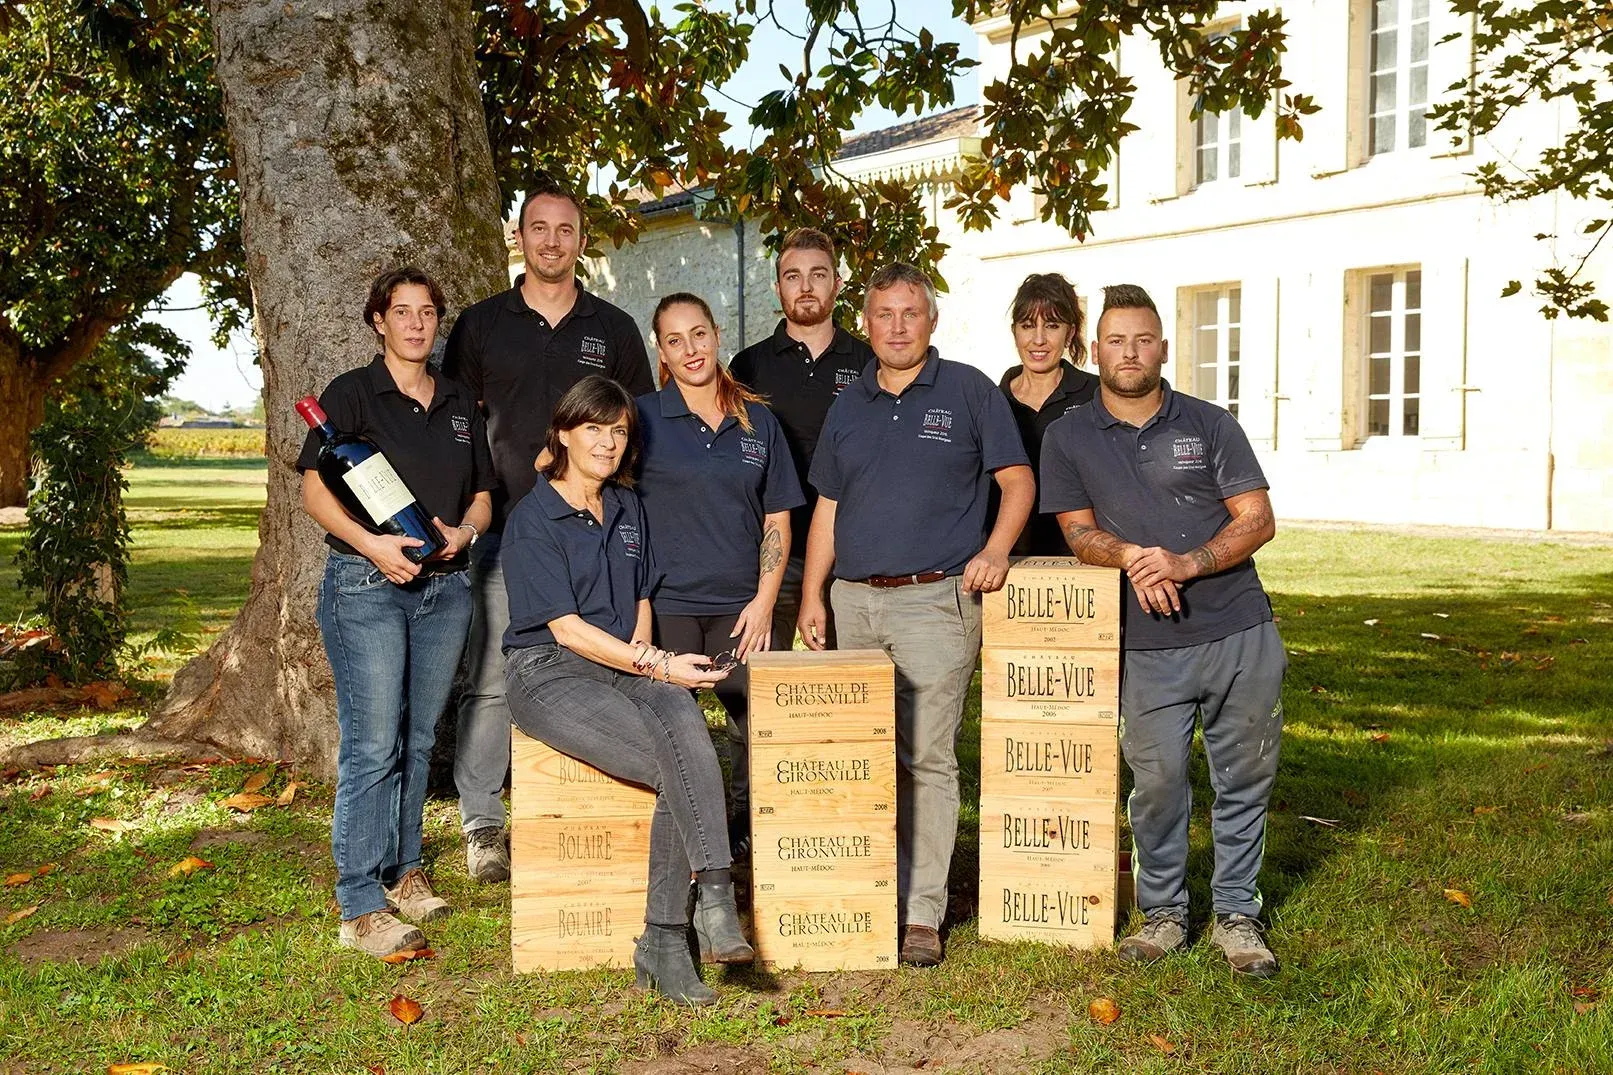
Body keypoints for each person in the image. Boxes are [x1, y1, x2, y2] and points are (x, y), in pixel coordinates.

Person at [1039, 283, 1286, 978]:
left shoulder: (1208, 424)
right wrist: (1134, 558)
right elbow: (1078, 531)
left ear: (1163, 349)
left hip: (1238, 628)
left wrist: (1188, 560)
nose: (1129, 352)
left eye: (1142, 339)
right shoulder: (1068, 436)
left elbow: (1256, 518)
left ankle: (1237, 914)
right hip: (1145, 643)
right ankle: (1165, 912)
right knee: (1157, 782)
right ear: (1096, 350)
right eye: (1116, 340)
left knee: (1242, 778)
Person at [798, 262, 1035, 966]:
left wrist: (994, 550)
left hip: (937, 599)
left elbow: (1017, 482)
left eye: (910, 313)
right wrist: (812, 592)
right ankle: (868, 891)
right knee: (859, 755)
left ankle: (921, 913)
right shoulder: (848, 402)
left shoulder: (967, 390)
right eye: (882, 314)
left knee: (926, 755)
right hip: (853, 600)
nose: (896, 326)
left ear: (931, 321)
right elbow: (828, 509)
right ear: (863, 322)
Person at [501, 375, 751, 1005]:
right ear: (562, 433)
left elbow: (640, 594)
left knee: (683, 730)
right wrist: (656, 663)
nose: (608, 442)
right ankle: (685, 924)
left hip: (625, 665)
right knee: (682, 761)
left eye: (618, 431)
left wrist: (648, 667)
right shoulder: (533, 518)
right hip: (549, 671)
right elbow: (567, 629)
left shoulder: (626, 505)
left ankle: (697, 915)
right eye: (594, 428)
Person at [442, 178, 655, 884]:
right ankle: (482, 821)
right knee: (494, 678)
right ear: (520, 235)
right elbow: (459, 427)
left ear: (581, 240)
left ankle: (582, 806)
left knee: (595, 667)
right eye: (539, 227)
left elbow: (635, 430)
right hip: (506, 530)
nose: (552, 241)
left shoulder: (614, 329)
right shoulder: (481, 325)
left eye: (565, 229)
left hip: (591, 534)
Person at [299, 267, 495, 958]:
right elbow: (316, 496)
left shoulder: (459, 402)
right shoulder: (351, 395)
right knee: (373, 742)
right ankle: (357, 903)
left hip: (444, 590)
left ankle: (402, 869)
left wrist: (464, 534)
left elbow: (482, 496)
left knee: (416, 739)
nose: (415, 323)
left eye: (427, 312)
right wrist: (373, 545)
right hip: (365, 587)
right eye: (401, 311)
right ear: (378, 320)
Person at [635, 293, 805, 856]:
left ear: (717, 334)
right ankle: (686, 845)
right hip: (668, 606)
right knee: (671, 732)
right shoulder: (639, 419)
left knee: (758, 726)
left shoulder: (759, 422)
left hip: (744, 606)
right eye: (675, 339)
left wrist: (763, 603)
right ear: (660, 349)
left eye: (699, 334)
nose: (691, 349)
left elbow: (777, 516)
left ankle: (752, 832)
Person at [730, 227, 875, 649]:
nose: (806, 286)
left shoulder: (869, 362)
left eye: (818, 274)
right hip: (770, 553)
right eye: (793, 276)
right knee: (762, 676)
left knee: (846, 684)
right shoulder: (748, 366)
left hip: (846, 553)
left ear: (838, 283)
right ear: (778, 288)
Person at [994, 272, 1098, 555]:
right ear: (1015, 331)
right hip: (1007, 561)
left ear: (1070, 332)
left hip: (1084, 561)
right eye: (1028, 325)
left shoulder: (1097, 395)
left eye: (1052, 325)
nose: (1038, 339)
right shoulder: (991, 401)